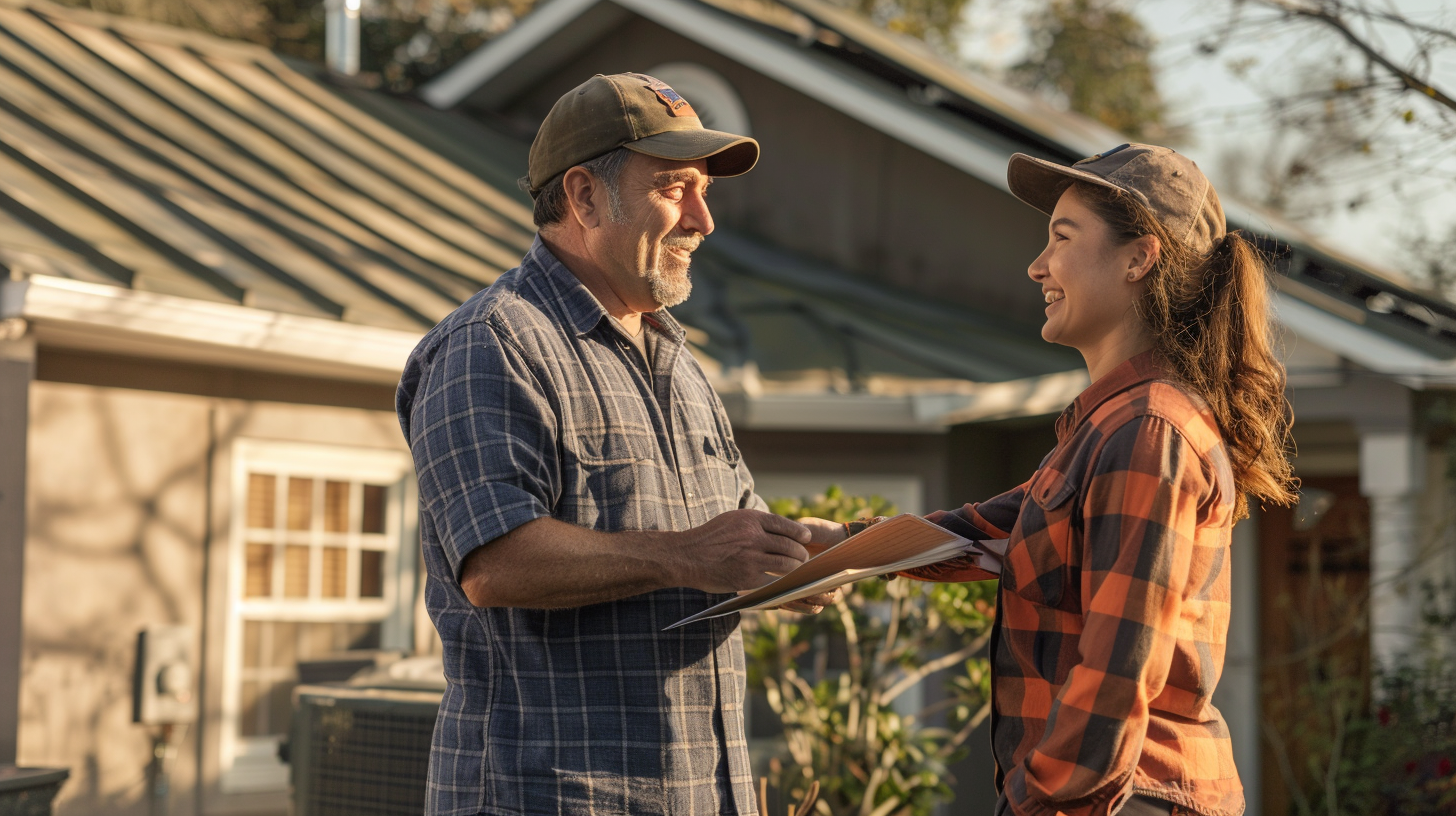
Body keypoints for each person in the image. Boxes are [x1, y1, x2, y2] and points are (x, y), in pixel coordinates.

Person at [804, 144, 1296, 816]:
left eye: (1062, 239)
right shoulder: (1112, 426)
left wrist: (1040, 801)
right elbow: (995, 528)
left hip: (1126, 799)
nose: (1038, 266)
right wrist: (840, 546)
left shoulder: (1148, 431)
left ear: (1138, 258)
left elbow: (1119, 669)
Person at [397, 73, 835, 816]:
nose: (703, 218)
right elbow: (494, 564)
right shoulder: (493, 344)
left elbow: (731, 539)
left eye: (703, 190)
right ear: (584, 197)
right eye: (674, 188)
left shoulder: (676, 357)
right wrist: (685, 555)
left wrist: (806, 557)